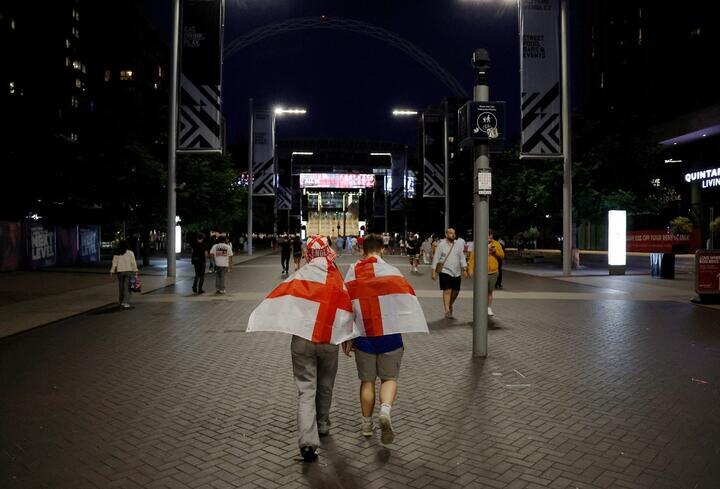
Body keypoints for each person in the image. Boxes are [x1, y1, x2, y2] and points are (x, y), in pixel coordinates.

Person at [247, 235, 356, 461]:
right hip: (328, 339)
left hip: (303, 340)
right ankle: (323, 424)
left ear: (308, 254)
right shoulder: (335, 278)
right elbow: (346, 307)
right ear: (327, 252)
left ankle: (308, 440)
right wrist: (348, 336)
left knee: (306, 389)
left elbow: (283, 300)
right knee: (325, 384)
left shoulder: (299, 276)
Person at [342, 234, 428, 445]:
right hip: (390, 335)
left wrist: (346, 336)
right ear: (382, 250)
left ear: (362, 250)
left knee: (367, 381)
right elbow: (406, 298)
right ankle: (386, 410)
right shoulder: (392, 271)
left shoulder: (353, 272)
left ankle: (366, 425)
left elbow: (346, 303)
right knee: (389, 378)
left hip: (364, 336)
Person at [431, 228, 468, 319]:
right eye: (451, 233)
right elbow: (436, 258)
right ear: (446, 234)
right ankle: (447, 310)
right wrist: (433, 272)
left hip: (457, 272)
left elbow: (462, 258)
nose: (453, 235)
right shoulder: (441, 245)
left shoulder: (458, 245)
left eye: (454, 233)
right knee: (447, 290)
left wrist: (465, 269)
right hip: (445, 271)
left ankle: (450, 304)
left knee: (455, 292)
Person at [467, 229, 505, 316]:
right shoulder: (479, 244)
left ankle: (488, 308)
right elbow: (472, 258)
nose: (489, 237)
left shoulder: (496, 244)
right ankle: (480, 307)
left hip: (493, 272)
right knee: (481, 291)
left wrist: (495, 252)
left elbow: (502, 256)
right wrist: (471, 269)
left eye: (490, 235)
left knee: (490, 291)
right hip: (481, 273)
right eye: (487, 235)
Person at [110, 239, 139, 309]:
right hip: (129, 273)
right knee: (127, 288)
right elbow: (133, 263)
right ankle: (125, 303)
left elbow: (114, 263)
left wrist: (112, 271)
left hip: (120, 273)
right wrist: (136, 270)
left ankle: (121, 302)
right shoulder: (130, 253)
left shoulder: (117, 253)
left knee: (121, 288)